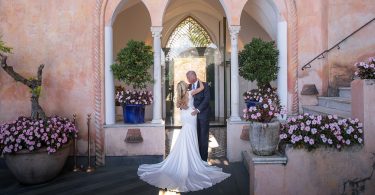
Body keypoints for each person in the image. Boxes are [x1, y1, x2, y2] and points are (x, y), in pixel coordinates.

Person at [137, 79, 230, 192]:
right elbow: (201, 88)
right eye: (185, 84)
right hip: (191, 115)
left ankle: (186, 157)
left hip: (185, 117)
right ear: (184, 86)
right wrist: (199, 80)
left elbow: (180, 107)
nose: (187, 83)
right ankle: (191, 159)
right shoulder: (190, 92)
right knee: (191, 135)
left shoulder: (179, 96)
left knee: (186, 134)